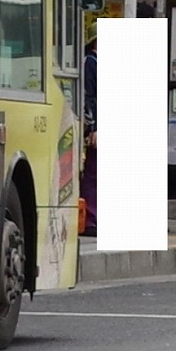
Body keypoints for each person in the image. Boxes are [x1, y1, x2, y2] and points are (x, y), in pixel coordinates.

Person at [81, 21, 97, 237]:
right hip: (96, 129)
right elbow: (89, 98)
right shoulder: (90, 63)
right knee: (93, 174)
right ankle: (91, 219)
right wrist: (93, 127)